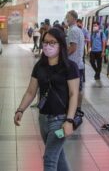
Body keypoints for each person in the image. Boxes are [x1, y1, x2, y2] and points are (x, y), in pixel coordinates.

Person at [14, 28, 80, 171]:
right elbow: (31, 91)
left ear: (61, 44)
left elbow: (74, 94)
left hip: (60, 120)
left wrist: (69, 120)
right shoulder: (40, 66)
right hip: (43, 118)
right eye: (45, 42)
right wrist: (20, 109)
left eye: (52, 42)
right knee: (58, 156)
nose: (47, 46)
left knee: (49, 159)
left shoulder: (70, 67)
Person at [65, 10, 85, 113]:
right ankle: (78, 109)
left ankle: (73, 110)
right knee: (78, 88)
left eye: (67, 16)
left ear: (73, 18)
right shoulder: (78, 30)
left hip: (73, 65)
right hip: (78, 64)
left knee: (73, 89)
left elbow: (72, 48)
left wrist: (63, 57)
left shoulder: (73, 30)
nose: (66, 18)